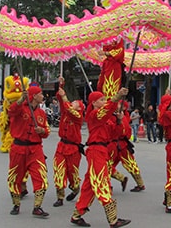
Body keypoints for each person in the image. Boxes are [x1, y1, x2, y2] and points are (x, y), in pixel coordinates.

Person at [70, 87, 131, 228]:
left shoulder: (105, 119)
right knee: (102, 182)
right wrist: (117, 96)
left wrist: (119, 121)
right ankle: (113, 220)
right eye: (101, 99)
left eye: (104, 99)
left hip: (102, 150)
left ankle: (76, 215)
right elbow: (106, 110)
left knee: (89, 185)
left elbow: (116, 134)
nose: (104, 101)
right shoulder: (94, 115)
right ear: (94, 102)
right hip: (96, 150)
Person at [7, 83, 51, 218]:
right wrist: (21, 99)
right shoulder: (20, 109)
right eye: (40, 93)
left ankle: (37, 207)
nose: (42, 96)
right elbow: (11, 111)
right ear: (34, 96)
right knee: (15, 177)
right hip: (18, 148)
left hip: (36, 149)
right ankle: (16, 204)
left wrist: (42, 131)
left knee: (41, 177)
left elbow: (47, 131)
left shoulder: (42, 113)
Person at [52, 78, 85, 207]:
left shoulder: (77, 116)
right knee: (59, 170)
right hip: (62, 145)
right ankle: (60, 196)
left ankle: (75, 188)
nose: (72, 103)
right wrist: (61, 85)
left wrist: (64, 96)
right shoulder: (66, 110)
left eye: (75, 103)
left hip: (73, 149)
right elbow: (61, 99)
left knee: (73, 173)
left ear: (79, 108)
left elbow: (68, 106)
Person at [111, 101, 146, 192]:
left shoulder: (121, 117)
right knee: (130, 164)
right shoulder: (124, 116)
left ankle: (122, 179)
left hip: (117, 145)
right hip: (121, 145)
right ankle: (139, 183)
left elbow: (122, 131)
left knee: (107, 166)